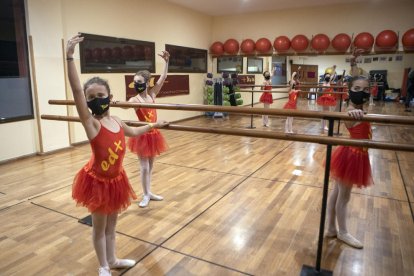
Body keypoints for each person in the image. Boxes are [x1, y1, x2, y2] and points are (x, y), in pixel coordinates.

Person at [66, 34, 168, 276]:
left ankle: (112, 259)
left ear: (109, 98)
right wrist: (70, 56)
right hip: (98, 182)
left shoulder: (117, 121)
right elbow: (77, 92)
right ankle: (103, 266)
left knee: (112, 225)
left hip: (116, 180)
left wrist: (154, 125)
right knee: (99, 228)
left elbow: (134, 131)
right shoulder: (92, 124)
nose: (95, 100)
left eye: (100, 96)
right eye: (91, 98)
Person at [326, 48, 372, 249]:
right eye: (357, 88)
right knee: (344, 197)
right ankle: (342, 232)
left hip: (354, 153)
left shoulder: (362, 107)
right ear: (350, 90)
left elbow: (356, 80)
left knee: (337, 193)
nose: (361, 90)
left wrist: (354, 63)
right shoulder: (352, 110)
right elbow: (350, 116)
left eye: (365, 88)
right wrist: (352, 113)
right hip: (351, 156)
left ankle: (330, 228)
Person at [127, 50, 170, 208]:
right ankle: (145, 195)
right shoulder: (135, 98)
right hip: (142, 135)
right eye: (134, 82)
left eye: (139, 81)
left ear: (146, 83)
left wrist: (166, 62)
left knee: (150, 167)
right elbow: (127, 106)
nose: (136, 84)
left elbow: (163, 78)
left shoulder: (152, 95)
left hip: (154, 134)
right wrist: (116, 102)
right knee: (144, 167)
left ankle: (148, 191)